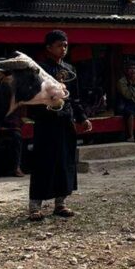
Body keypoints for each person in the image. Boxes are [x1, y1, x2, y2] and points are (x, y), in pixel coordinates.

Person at [28, 30, 91, 221]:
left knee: (65, 162)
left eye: (65, 45)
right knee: (43, 162)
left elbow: (75, 98)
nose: (63, 49)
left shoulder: (70, 70)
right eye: (59, 45)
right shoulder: (38, 71)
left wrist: (82, 118)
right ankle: (35, 206)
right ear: (48, 48)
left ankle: (60, 203)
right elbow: (31, 98)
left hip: (65, 121)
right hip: (46, 122)